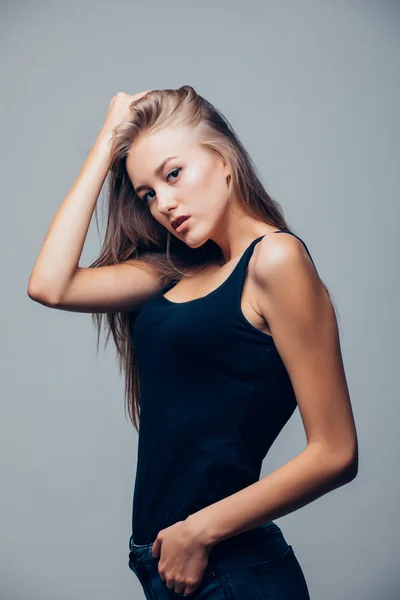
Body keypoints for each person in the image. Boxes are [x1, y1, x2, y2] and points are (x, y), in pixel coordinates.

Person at [28, 85, 358, 599]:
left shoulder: (275, 261)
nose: (164, 204)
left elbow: (336, 452)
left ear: (223, 158)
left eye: (173, 174)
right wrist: (106, 143)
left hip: (228, 568)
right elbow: (50, 285)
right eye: (148, 194)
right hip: (162, 567)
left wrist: (197, 530)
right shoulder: (174, 269)